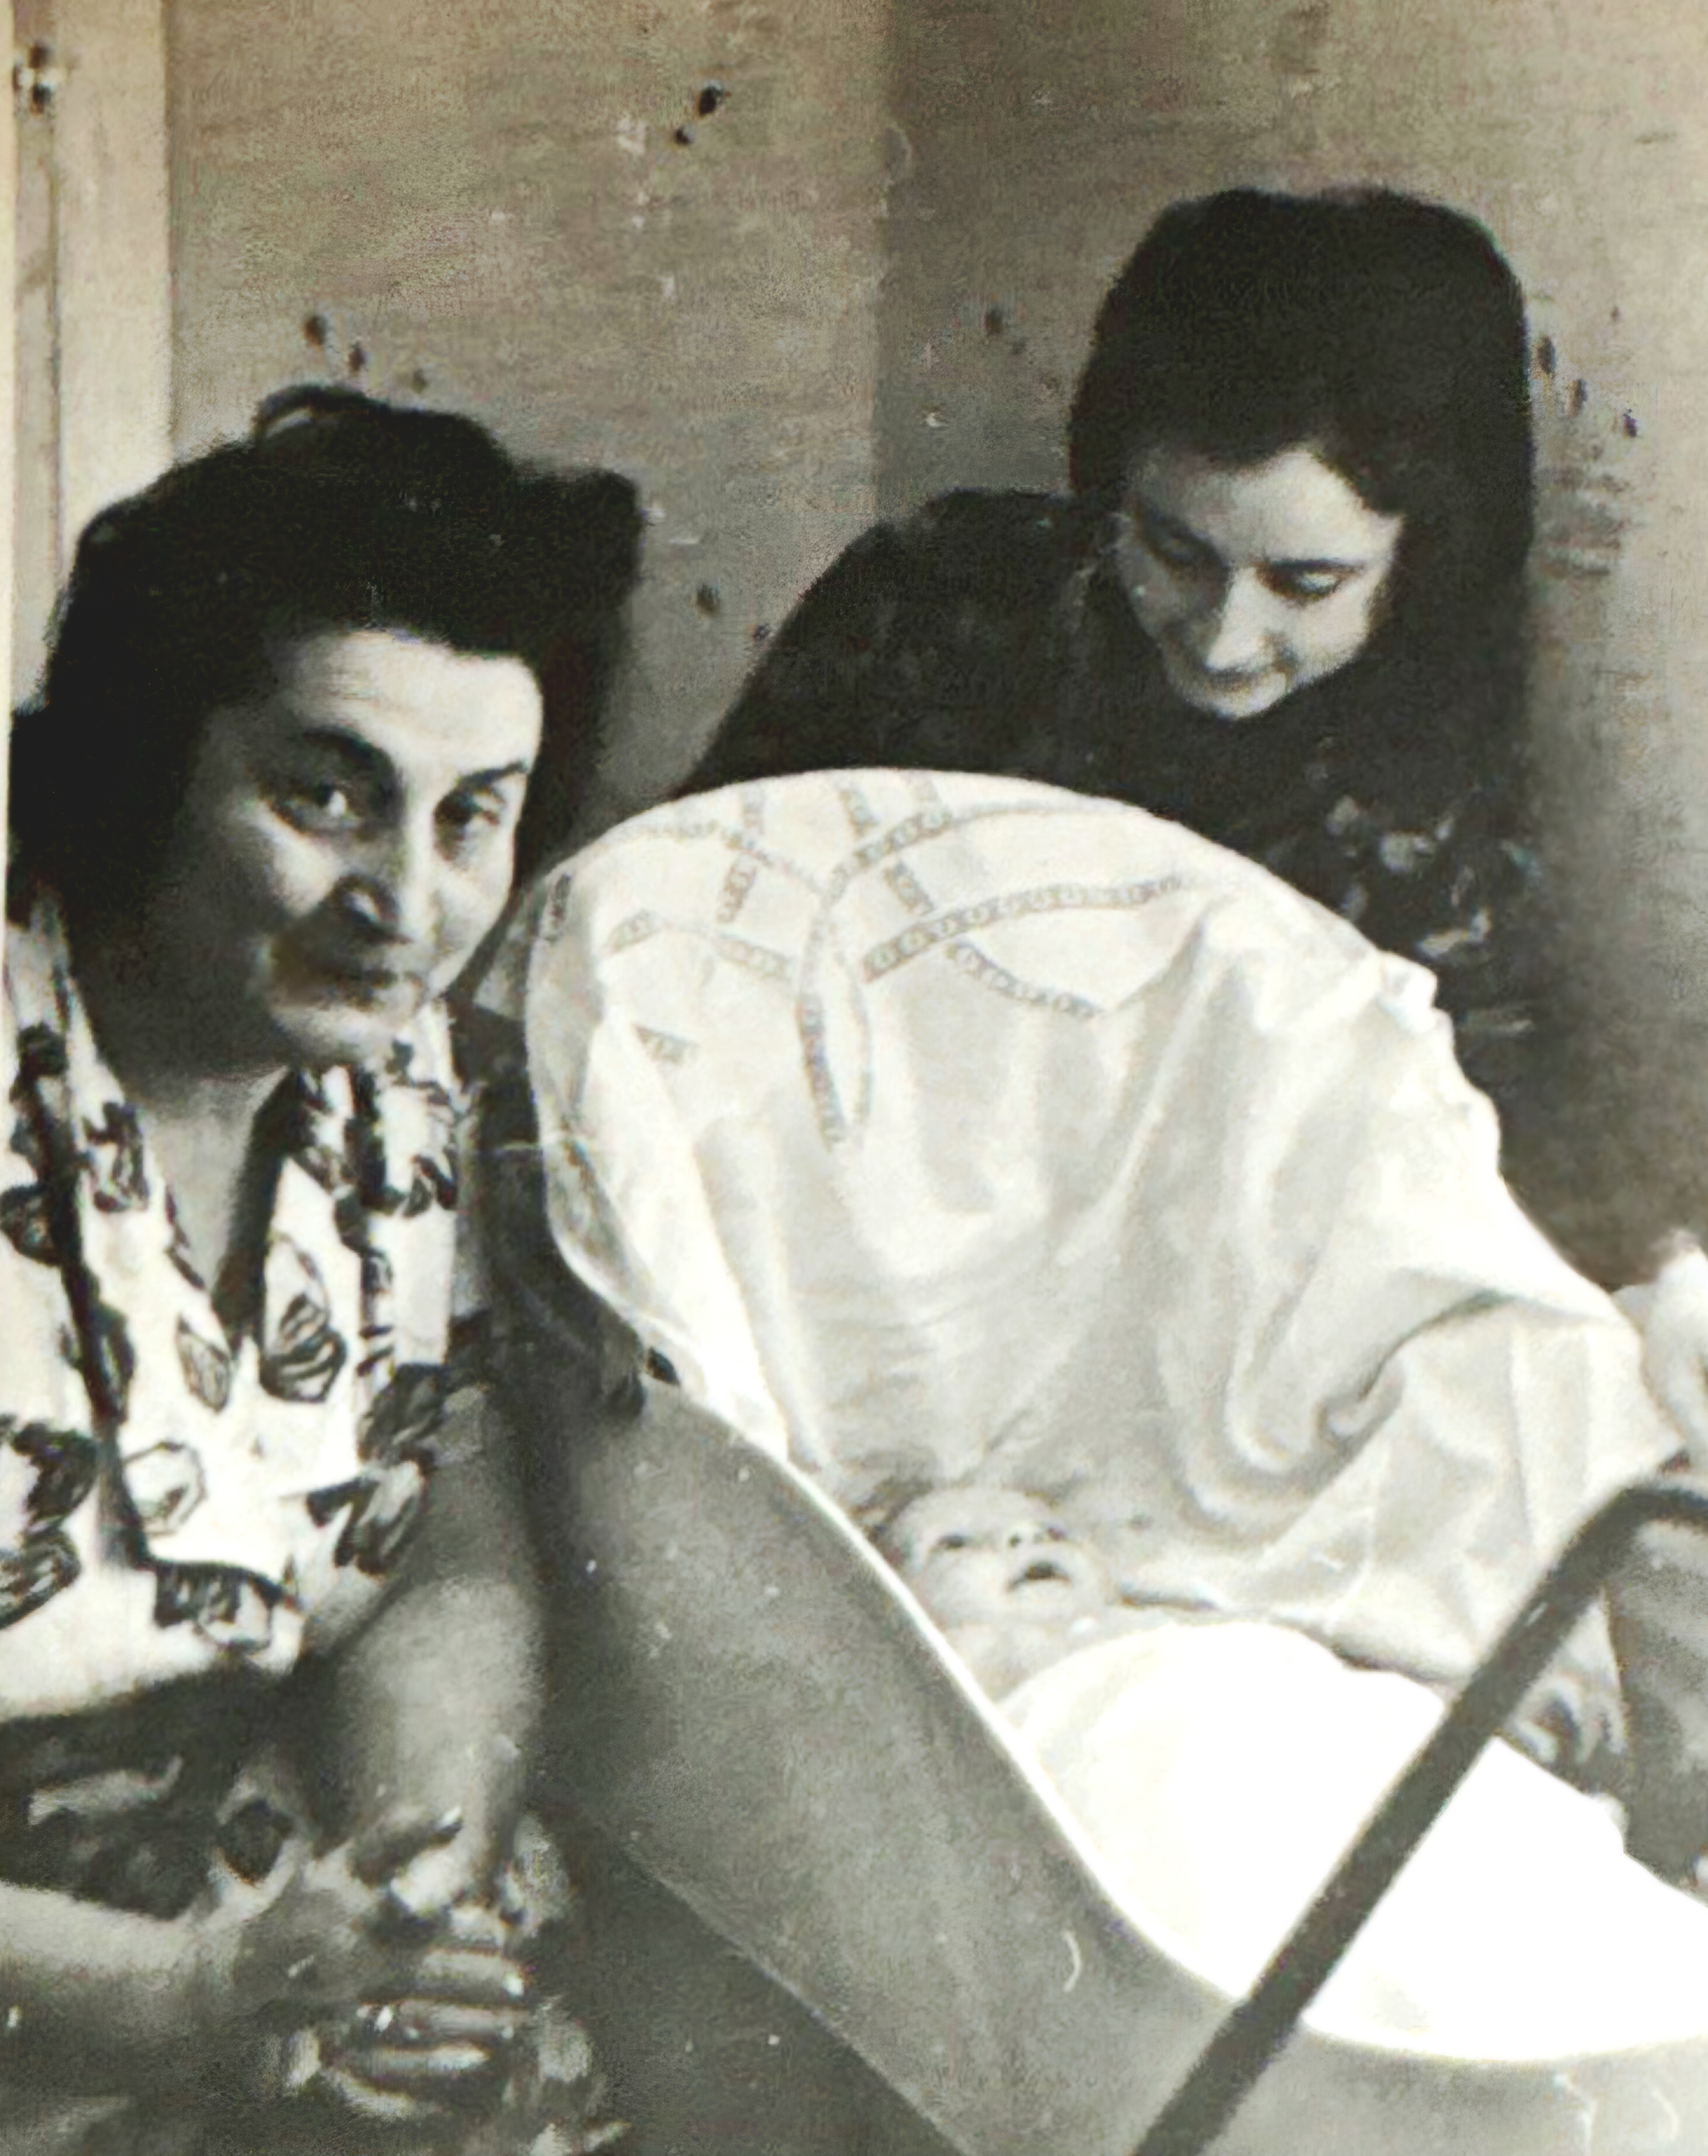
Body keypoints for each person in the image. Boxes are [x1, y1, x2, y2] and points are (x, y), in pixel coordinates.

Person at [0, 386, 642, 2153]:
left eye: (472, 815)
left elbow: (443, 1535)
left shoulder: (402, 1082)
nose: (407, 901)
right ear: (147, 759)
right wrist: (198, 1992)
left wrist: (404, 1900)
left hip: (257, 1889)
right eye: (327, 795)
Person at [683, 187, 1542, 1106]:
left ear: (1421, 558)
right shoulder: (933, 591)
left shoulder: (1431, 775)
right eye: (1174, 552)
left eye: (1304, 585)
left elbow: (1430, 1130)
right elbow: (688, 900)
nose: (1224, 642)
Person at [869, 1479, 1708, 2042]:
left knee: (1494, 1865)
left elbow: (1353, 1700)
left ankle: (1681, 1984)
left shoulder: (1183, 1624)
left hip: (1322, 1744)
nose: (1022, 1541)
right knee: (1242, 1901)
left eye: (1048, 1528)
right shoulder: (956, 1668)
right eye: (957, 1544)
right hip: (1155, 1765)